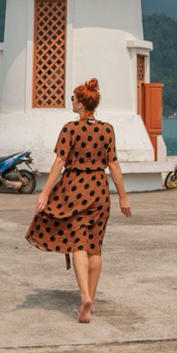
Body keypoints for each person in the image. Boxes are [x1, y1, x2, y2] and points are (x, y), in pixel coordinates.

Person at [25, 77, 131, 323]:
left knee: (77, 244)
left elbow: (60, 162)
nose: (70, 102)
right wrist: (123, 197)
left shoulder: (69, 129)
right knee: (95, 246)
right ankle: (89, 303)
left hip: (74, 190)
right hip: (99, 190)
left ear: (82, 104)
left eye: (73, 98)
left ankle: (84, 295)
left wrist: (44, 193)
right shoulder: (107, 129)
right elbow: (113, 164)